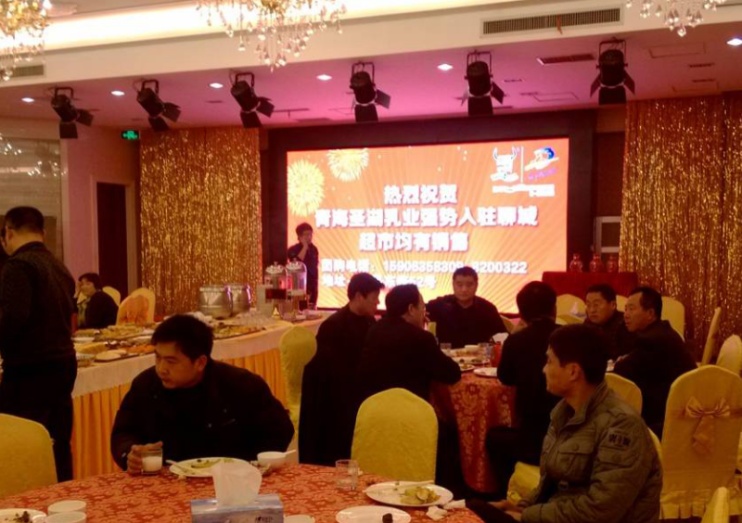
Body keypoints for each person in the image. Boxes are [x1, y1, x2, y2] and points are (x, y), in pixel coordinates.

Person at [471, 324, 662, 523]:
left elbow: (600, 511)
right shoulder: (564, 412)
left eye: (549, 361)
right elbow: (552, 484)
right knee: (473, 509)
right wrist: (521, 508)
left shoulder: (622, 425)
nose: (544, 369)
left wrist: (527, 516)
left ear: (573, 372)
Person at [110, 314, 294, 473]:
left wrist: (250, 465)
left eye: (171, 361)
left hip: (229, 481)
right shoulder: (146, 385)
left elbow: (279, 430)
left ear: (200, 363)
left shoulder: (240, 385)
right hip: (163, 483)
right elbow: (123, 433)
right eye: (158, 358)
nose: (161, 369)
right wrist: (130, 454)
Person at [0, 206, 77, 481]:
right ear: (42, 232)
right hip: (63, 363)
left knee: (24, 444)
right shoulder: (59, 266)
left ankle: (26, 499)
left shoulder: (18, 265)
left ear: (8, 232)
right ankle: (64, 493)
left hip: (30, 369)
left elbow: (12, 318)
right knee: (57, 442)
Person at [299, 273, 384, 466]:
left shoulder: (370, 322)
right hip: (338, 401)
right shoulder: (333, 327)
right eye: (374, 298)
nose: (377, 302)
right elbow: (329, 375)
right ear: (359, 296)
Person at [485, 281, 560, 498]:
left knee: (494, 438)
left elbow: (505, 377)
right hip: (572, 437)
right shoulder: (570, 337)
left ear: (522, 313)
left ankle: (506, 496)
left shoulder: (517, 341)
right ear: (554, 308)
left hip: (534, 440)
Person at [613, 286, 696, 437]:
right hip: (680, 408)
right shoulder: (662, 331)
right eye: (625, 309)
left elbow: (620, 372)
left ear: (650, 313)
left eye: (631, 309)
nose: (626, 315)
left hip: (665, 419)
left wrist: (622, 361)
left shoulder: (651, 340)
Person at [358, 284, 461, 402]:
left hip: (372, 406)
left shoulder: (374, 330)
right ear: (411, 309)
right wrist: (422, 332)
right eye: (422, 308)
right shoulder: (420, 338)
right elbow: (452, 374)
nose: (423, 314)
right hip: (407, 408)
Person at [426, 266, 507, 348]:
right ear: (453, 285)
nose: (464, 289)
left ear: (476, 285)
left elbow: (503, 336)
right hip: (445, 355)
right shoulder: (439, 305)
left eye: (469, 285)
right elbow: (420, 312)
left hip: (480, 355)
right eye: (459, 285)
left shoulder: (487, 309)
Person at [584, 283, 634, 360]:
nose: (592, 310)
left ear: (613, 305)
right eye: (588, 305)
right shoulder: (588, 323)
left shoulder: (625, 325)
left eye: (596, 305)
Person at [287, 222, 319, 305]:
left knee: (311, 307)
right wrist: (304, 247)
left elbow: (314, 267)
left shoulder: (314, 249)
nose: (309, 237)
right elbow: (297, 264)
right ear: (299, 236)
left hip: (312, 286)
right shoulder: (293, 249)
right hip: (297, 287)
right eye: (306, 234)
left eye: (311, 234)